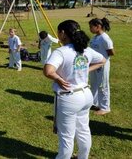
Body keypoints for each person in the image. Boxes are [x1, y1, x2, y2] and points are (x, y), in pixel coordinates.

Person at [43, 20, 106, 159]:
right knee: (83, 130)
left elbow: (48, 71)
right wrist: (86, 70)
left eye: (58, 32)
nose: (58, 35)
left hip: (69, 97)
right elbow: (103, 60)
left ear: (63, 33)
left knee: (66, 135)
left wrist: (59, 79)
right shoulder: (86, 49)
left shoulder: (61, 51)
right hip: (85, 95)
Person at [88, 18, 114, 115]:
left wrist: (101, 59)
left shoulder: (105, 38)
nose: (90, 29)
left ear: (98, 27)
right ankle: (94, 103)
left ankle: (105, 107)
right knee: (94, 83)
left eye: (91, 27)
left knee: (103, 85)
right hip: (93, 65)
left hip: (102, 65)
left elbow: (111, 52)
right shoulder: (95, 37)